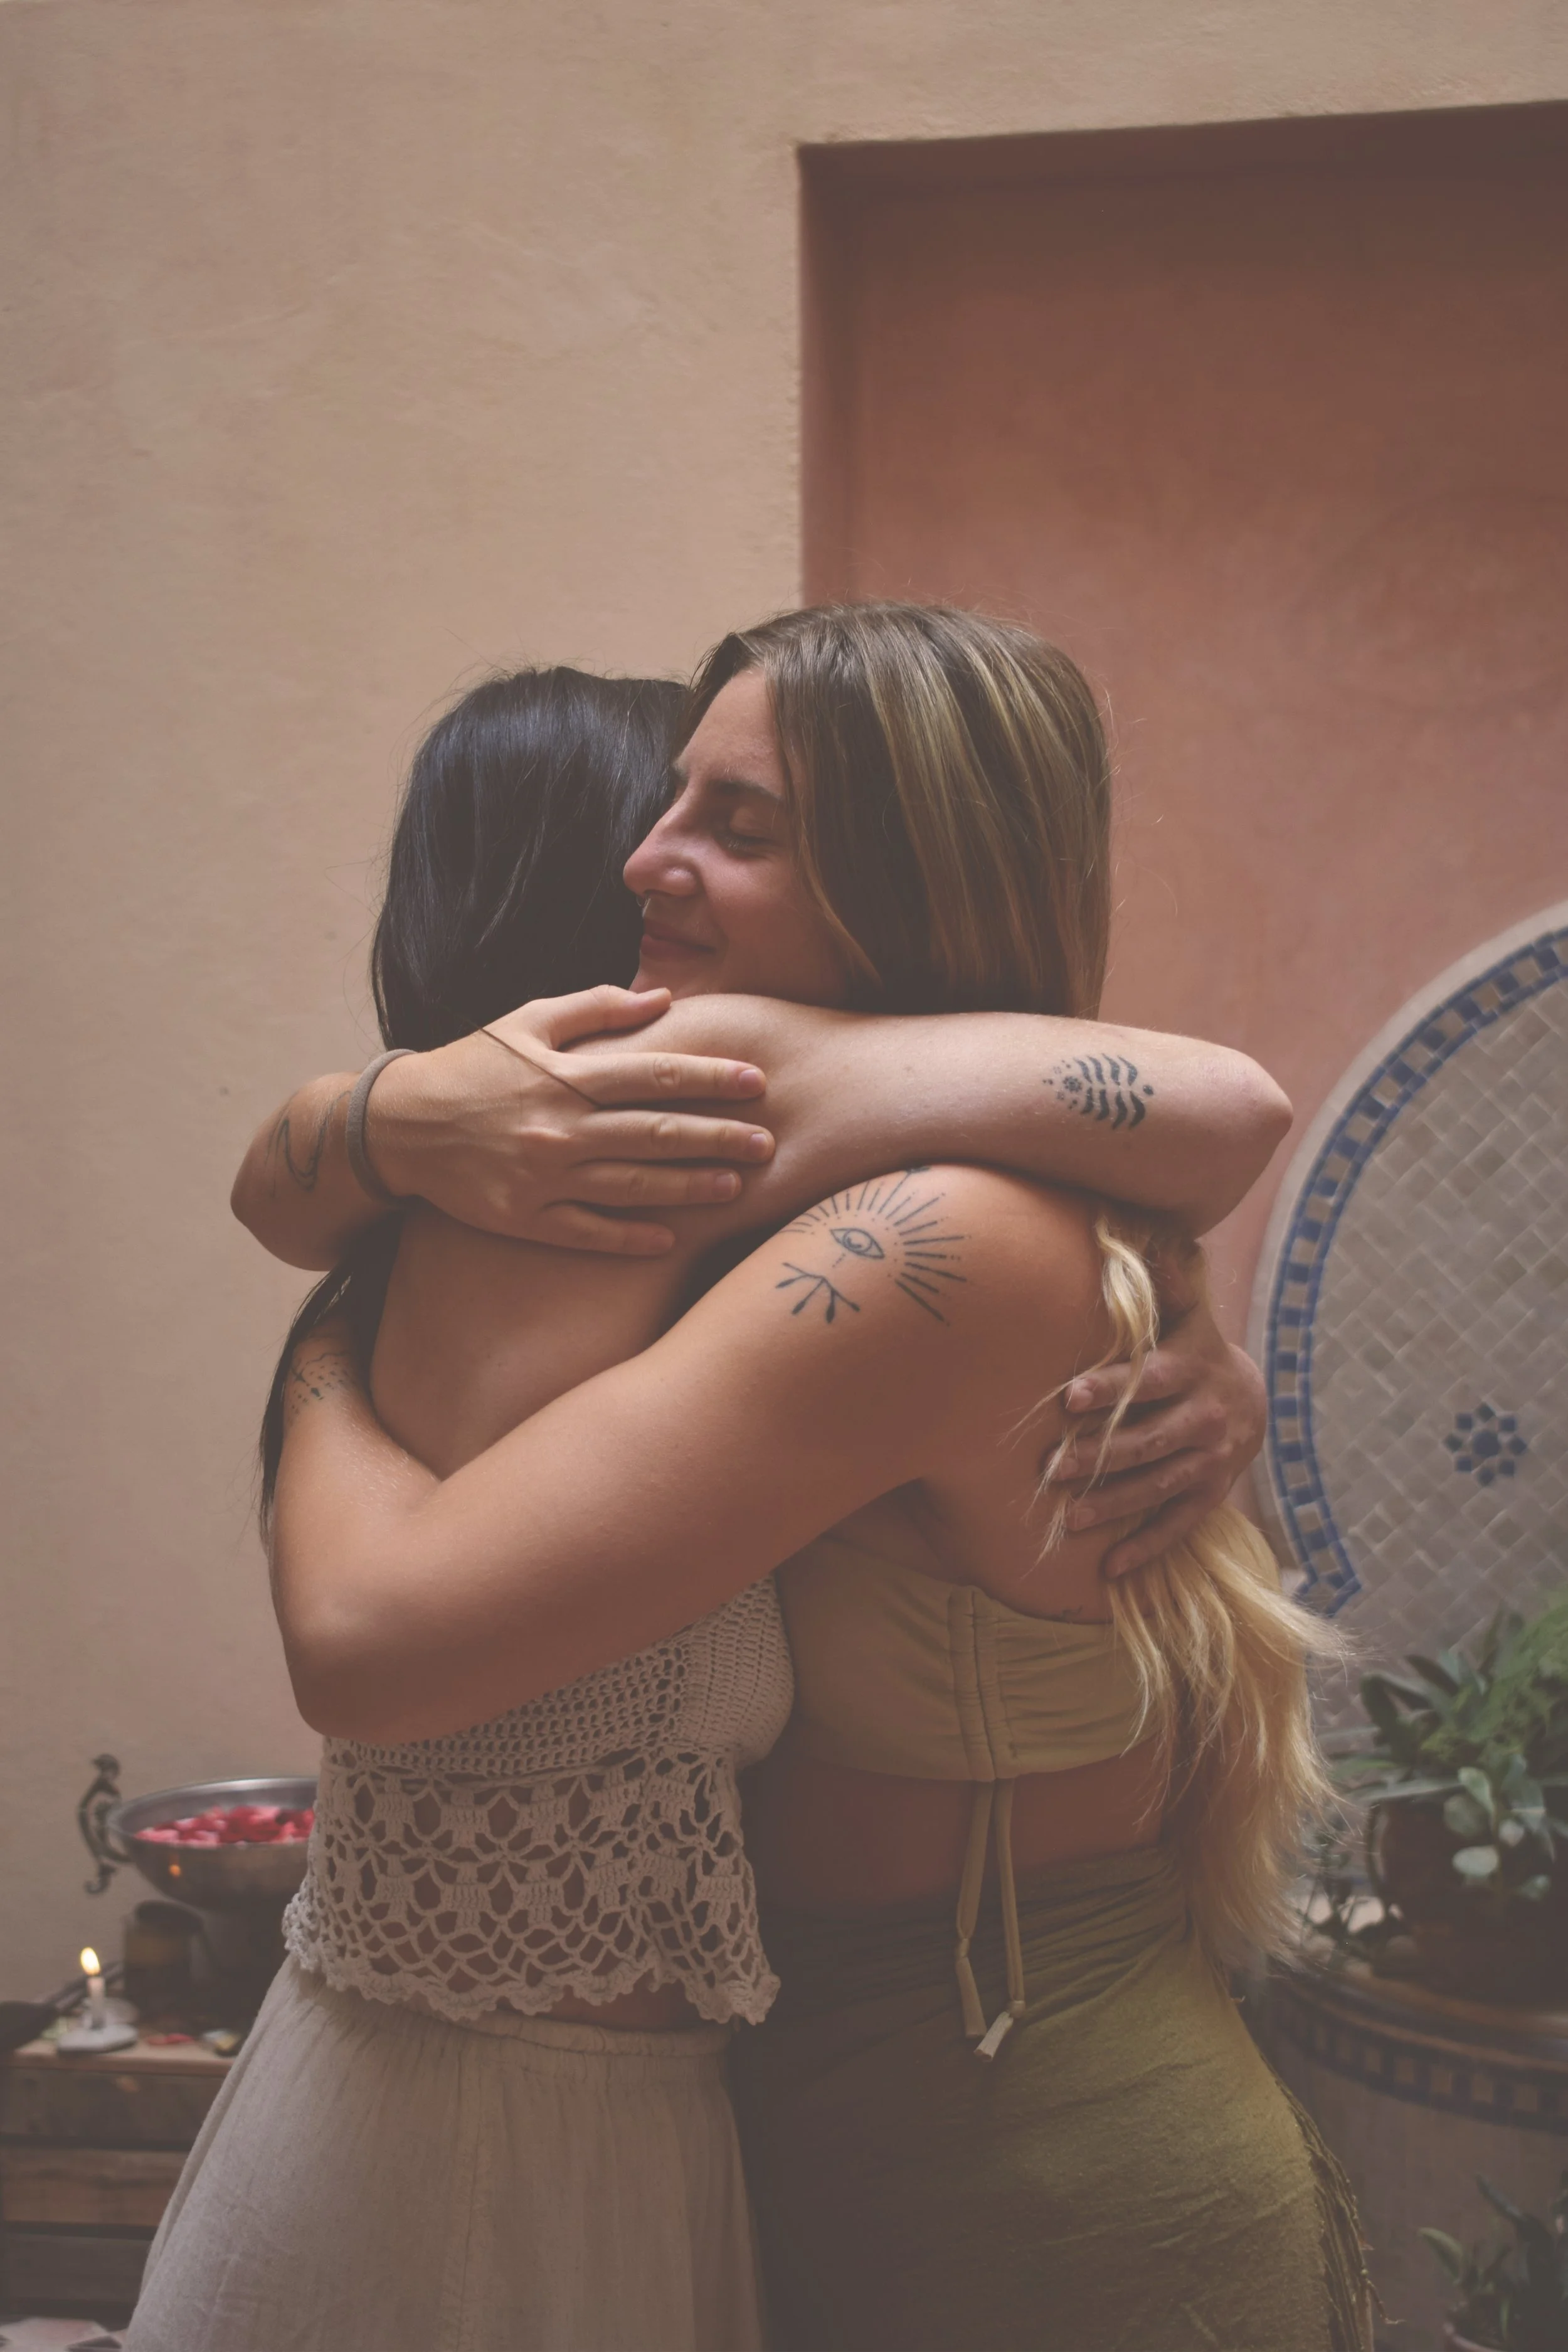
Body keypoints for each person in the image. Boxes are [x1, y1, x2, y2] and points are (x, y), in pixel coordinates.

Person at [130, 629, 1290, 2352]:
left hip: (1031, 2160)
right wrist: (378, 1127)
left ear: (905, 878)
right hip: (834, 2134)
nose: (645, 861)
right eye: (667, 801)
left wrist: (327, 1346)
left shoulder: (923, 1224)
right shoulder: (830, 1195)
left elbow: (367, 1638)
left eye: (736, 824)